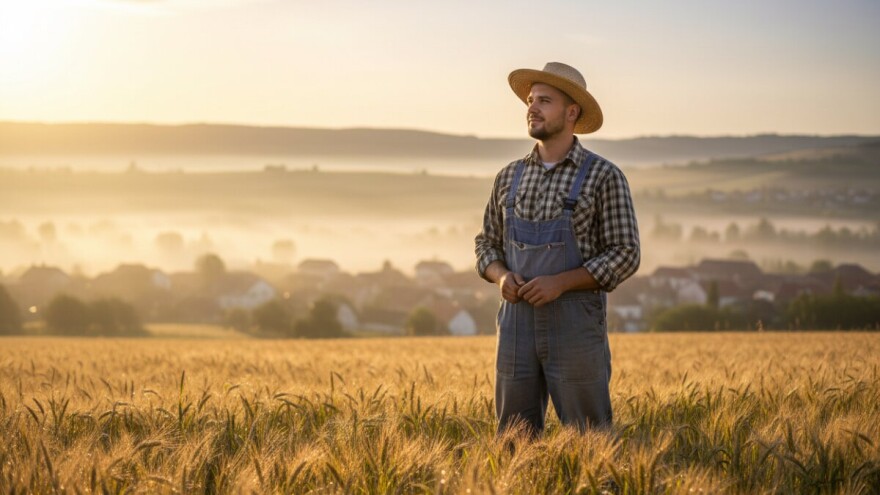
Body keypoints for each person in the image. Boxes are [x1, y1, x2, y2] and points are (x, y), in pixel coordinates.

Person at [474, 62, 640, 436]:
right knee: (514, 441)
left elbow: (626, 252)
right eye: (530, 100)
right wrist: (501, 278)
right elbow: (485, 244)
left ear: (571, 112)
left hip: (575, 325)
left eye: (544, 101)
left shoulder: (603, 176)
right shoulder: (509, 176)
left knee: (590, 441)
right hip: (516, 323)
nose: (532, 108)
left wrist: (561, 283)